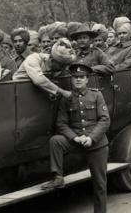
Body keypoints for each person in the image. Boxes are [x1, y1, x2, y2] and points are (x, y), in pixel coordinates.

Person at [41, 63, 110, 213]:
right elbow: (61, 123)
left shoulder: (96, 95)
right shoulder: (67, 99)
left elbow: (105, 120)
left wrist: (91, 138)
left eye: (81, 77)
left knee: (99, 185)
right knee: (55, 141)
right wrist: (74, 138)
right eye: (75, 77)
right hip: (77, 142)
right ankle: (58, 177)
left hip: (96, 144)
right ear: (71, 80)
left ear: (87, 79)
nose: (78, 80)